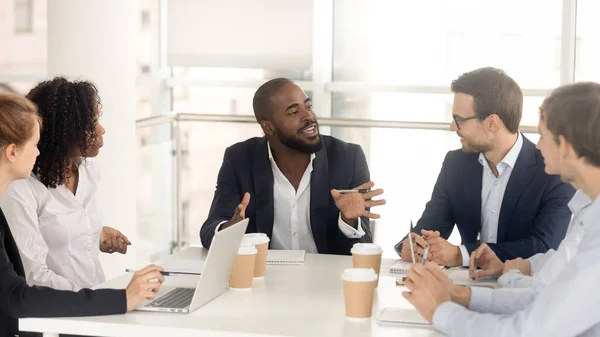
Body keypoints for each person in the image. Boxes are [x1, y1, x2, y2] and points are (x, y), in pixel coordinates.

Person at [403, 82, 600, 337]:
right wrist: (461, 296)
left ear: (565, 146)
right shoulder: (588, 212)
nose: (538, 146)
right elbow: (545, 298)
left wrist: (440, 311)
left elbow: (528, 330)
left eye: (542, 135)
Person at [0, 93, 163, 337]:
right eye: (35, 144)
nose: (38, 152)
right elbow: (17, 294)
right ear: (12, 152)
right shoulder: (19, 194)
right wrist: (117, 299)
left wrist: (93, 236)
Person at [394, 67, 574, 267]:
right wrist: (413, 246)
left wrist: (461, 255)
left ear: (492, 123)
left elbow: (545, 246)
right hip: (465, 285)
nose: (453, 128)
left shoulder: (552, 170)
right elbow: (429, 227)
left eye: (459, 120)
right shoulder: (456, 164)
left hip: (525, 289)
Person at [200, 78, 385, 255]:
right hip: (264, 277)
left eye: (308, 106)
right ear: (268, 127)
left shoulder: (347, 158)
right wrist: (230, 230)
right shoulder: (240, 158)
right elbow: (209, 230)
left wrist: (349, 220)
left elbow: (361, 248)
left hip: (326, 280)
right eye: (293, 112)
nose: (309, 116)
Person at [0, 77, 130, 291]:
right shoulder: (20, 188)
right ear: (64, 131)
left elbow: (61, 233)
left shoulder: (88, 172)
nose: (101, 130)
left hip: (93, 302)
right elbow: (34, 276)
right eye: (91, 123)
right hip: (60, 313)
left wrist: (95, 235)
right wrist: (96, 299)